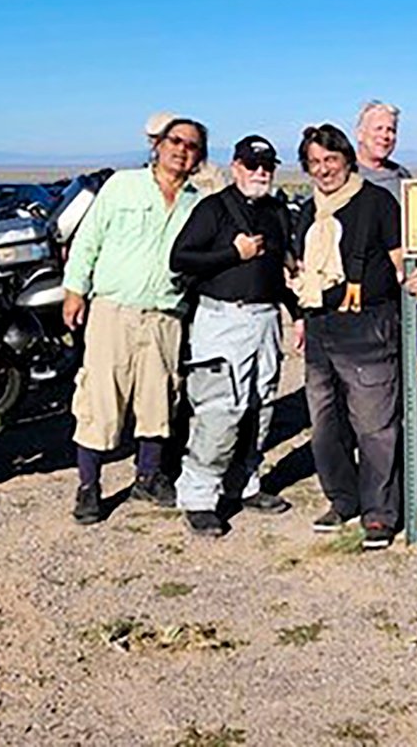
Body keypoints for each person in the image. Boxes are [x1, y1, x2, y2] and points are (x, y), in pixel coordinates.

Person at [62, 112, 205, 525]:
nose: (182, 150)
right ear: (158, 145)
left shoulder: (198, 203)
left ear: (199, 157)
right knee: (100, 399)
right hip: (114, 309)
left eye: (192, 146)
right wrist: (75, 290)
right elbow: (88, 239)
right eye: (175, 141)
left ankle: (148, 476)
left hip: (166, 315)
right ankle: (89, 487)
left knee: (158, 399)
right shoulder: (122, 185)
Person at [168, 135, 298, 537]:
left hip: (265, 320)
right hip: (222, 320)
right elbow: (180, 258)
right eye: (252, 165)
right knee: (219, 411)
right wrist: (233, 254)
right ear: (236, 167)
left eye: (267, 166)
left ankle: (245, 484)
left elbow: (279, 272)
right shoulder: (213, 209)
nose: (261, 173)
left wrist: (297, 315)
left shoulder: (277, 211)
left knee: (260, 408)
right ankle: (198, 498)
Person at [292, 122, 410, 550]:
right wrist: (301, 316)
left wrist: (411, 282)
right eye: (315, 162)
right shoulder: (309, 211)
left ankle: (380, 513)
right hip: (320, 325)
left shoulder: (377, 202)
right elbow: (301, 271)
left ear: (347, 160)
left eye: (331, 159)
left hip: (368, 325)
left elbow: (401, 261)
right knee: (326, 425)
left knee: (374, 426)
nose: (324, 169)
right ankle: (343, 499)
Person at [353, 100, 411, 201]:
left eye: (391, 130)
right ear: (360, 134)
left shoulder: (402, 176)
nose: (384, 136)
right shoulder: (344, 174)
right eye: (378, 128)